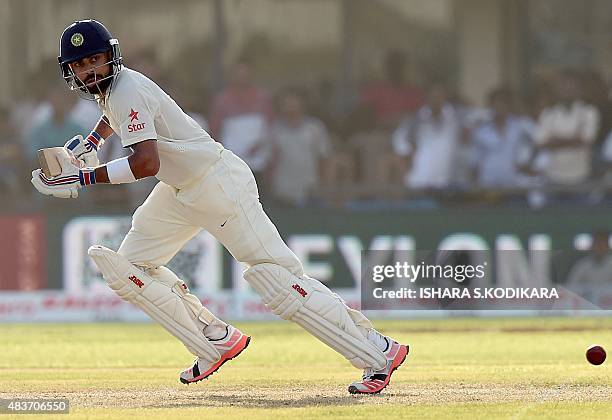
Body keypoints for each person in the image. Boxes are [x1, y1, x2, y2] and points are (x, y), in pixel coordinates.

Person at [31, 19, 408, 395]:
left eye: (94, 59)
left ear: (111, 56)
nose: (89, 70)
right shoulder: (114, 90)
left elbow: (146, 163)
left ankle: (379, 352)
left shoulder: (125, 88)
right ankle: (214, 339)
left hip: (217, 184)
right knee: (129, 269)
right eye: (80, 65)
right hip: (180, 189)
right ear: (70, 71)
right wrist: (93, 142)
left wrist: (79, 178)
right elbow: (119, 117)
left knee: (277, 280)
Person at [268, 88, 331, 206]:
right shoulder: (274, 131)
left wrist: (323, 187)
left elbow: (324, 159)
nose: (290, 104)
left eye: (294, 100)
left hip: (311, 191)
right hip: (283, 193)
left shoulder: (315, 128)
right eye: (286, 102)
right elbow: (270, 162)